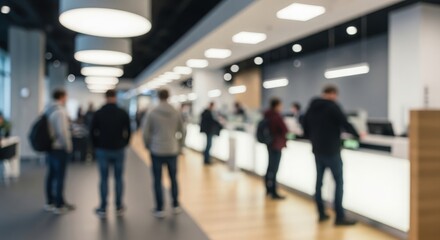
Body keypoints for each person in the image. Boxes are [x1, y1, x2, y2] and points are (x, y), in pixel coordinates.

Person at [303, 85, 361, 226]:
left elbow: (304, 125)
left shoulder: (312, 107)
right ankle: (339, 217)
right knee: (339, 182)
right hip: (332, 150)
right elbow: (345, 123)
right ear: (334, 94)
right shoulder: (332, 106)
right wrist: (358, 135)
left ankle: (321, 213)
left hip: (317, 149)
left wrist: (313, 138)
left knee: (319, 183)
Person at [142, 89, 185, 218]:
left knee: (157, 180)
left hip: (156, 150)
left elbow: (146, 132)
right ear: (168, 96)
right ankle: (175, 204)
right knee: (173, 178)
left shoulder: (152, 112)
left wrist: (148, 145)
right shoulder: (176, 112)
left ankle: (160, 208)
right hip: (172, 150)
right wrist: (180, 145)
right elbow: (182, 130)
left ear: (158, 97)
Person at [90, 90, 131, 218]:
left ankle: (103, 207)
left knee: (103, 179)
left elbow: (92, 131)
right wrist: (125, 143)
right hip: (118, 149)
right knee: (118, 178)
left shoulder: (99, 113)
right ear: (115, 97)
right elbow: (129, 130)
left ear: (105, 97)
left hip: (103, 150)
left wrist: (96, 145)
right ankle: (118, 206)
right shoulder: (122, 112)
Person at [44, 89, 75, 214]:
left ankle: (50, 202)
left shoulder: (48, 109)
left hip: (51, 147)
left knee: (51, 175)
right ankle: (59, 204)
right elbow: (63, 132)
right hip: (59, 148)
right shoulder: (60, 112)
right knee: (60, 176)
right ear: (62, 97)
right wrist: (68, 146)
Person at [264, 98, 289, 200]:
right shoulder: (277, 116)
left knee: (269, 167)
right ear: (277, 105)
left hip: (270, 144)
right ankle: (274, 192)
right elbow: (284, 129)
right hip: (276, 145)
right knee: (274, 169)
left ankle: (268, 189)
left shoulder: (267, 115)